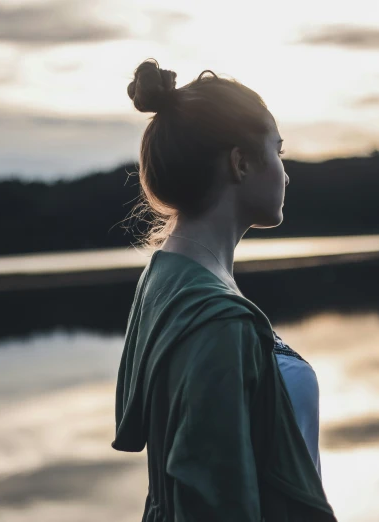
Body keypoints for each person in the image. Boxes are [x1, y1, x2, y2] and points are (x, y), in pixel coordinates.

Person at [112, 58, 336, 522]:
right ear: (240, 163)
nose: (286, 173)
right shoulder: (214, 320)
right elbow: (213, 502)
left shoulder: (166, 276)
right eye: (278, 152)